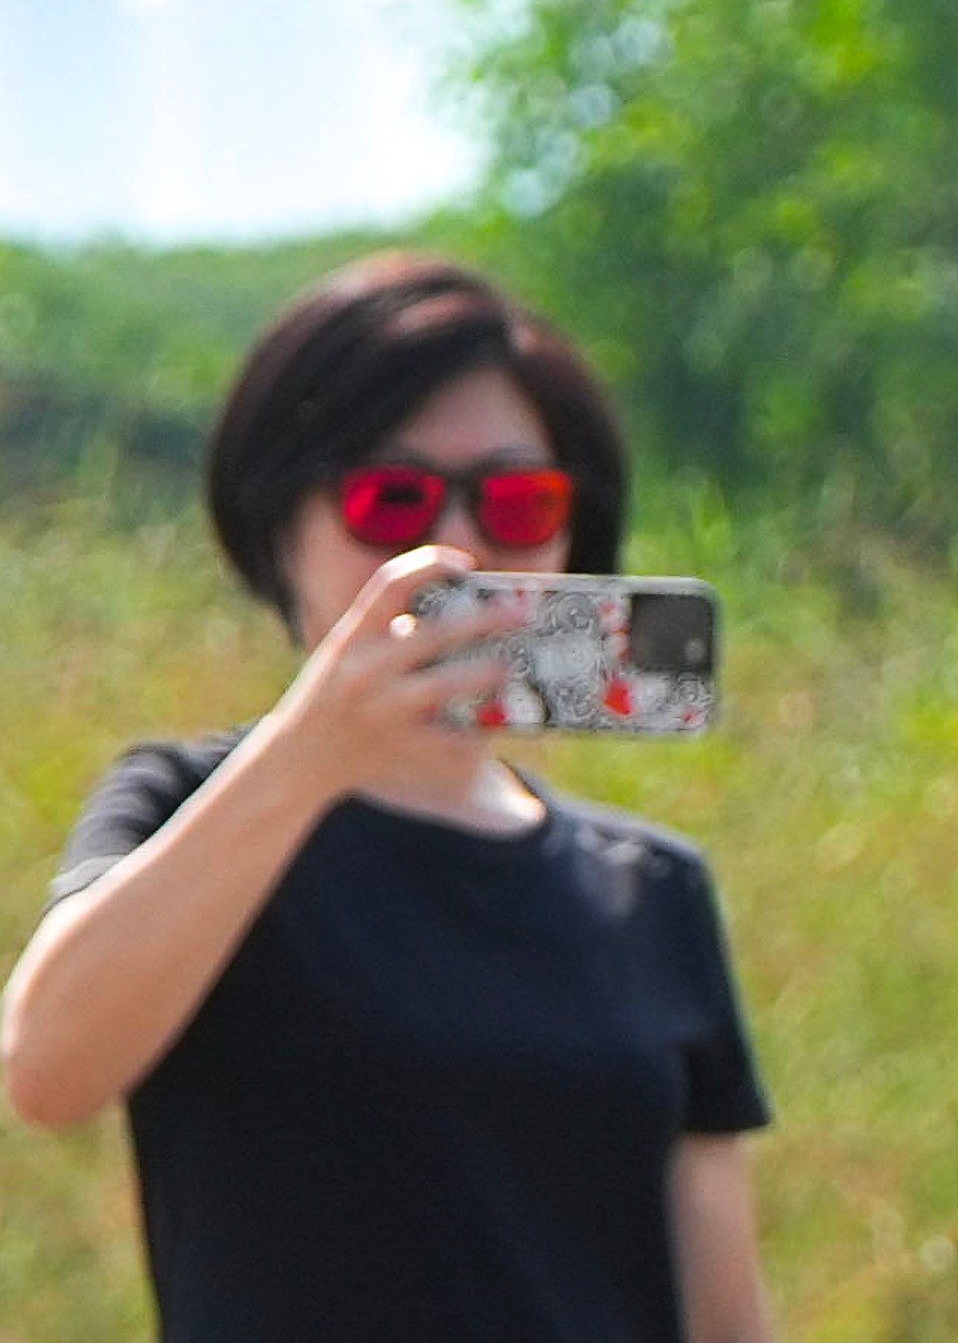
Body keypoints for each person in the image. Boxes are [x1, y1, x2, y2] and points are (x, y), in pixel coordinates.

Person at [0, 254, 775, 1343]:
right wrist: (308, 754)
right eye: (391, 499)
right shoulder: (186, 808)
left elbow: (725, 1316)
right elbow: (46, 1071)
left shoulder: (650, 890)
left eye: (515, 501)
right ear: (281, 528)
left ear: (571, 536)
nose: (453, 549)